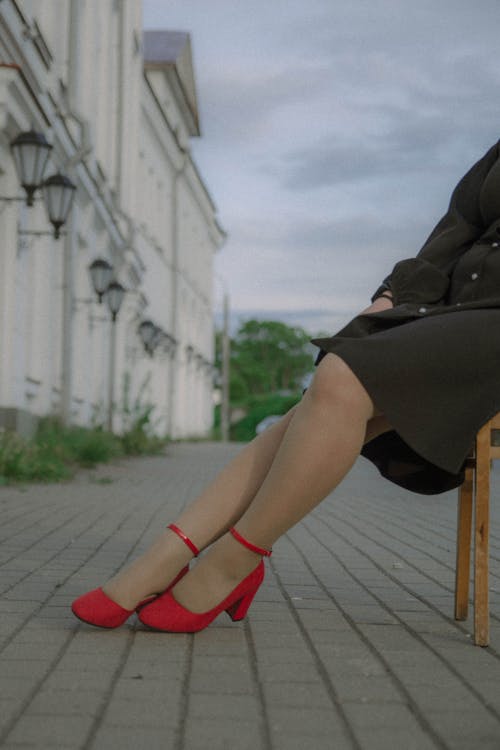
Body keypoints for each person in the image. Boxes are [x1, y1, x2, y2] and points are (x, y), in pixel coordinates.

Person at [72, 138, 500, 632]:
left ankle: (229, 566)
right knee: (330, 388)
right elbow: (458, 228)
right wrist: (391, 295)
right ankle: (166, 556)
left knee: (343, 377)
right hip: (460, 314)